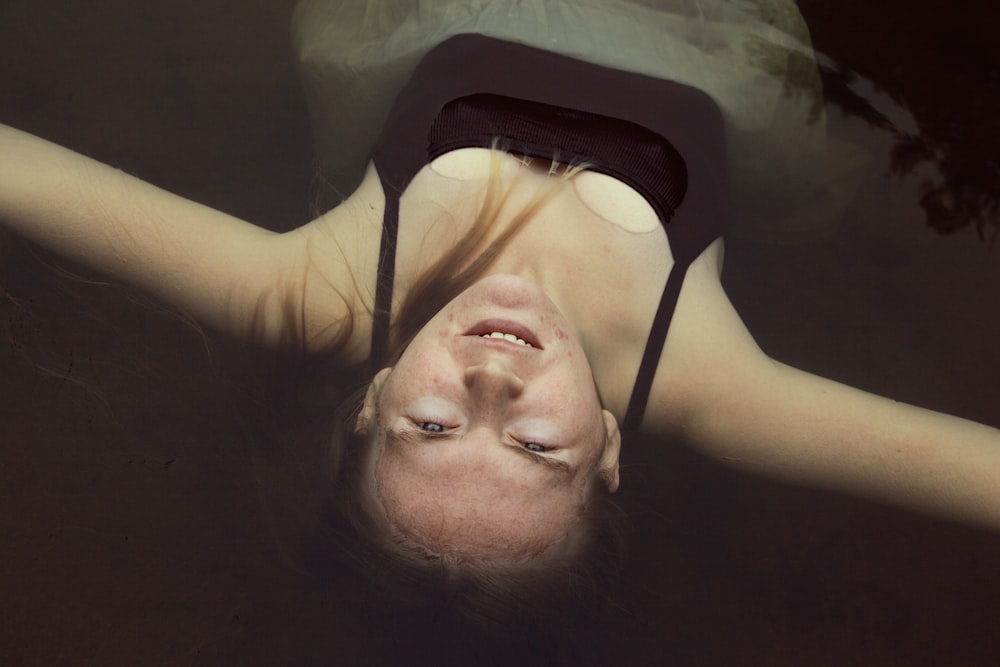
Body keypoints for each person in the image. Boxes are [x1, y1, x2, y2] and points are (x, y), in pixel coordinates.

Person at [2, 0, 998, 604]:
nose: (493, 378)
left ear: (372, 401)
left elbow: (32, 180)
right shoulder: (701, 382)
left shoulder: (314, 296)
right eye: (533, 447)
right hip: (714, 29)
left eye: (431, 425)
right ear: (606, 452)